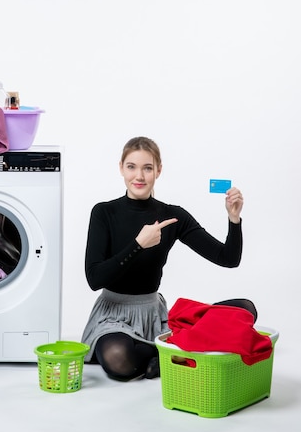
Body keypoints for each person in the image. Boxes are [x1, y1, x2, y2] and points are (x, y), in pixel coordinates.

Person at [81, 136, 257, 381]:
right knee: (117, 358)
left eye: (148, 168)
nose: (139, 176)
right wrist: (138, 245)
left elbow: (227, 258)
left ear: (159, 171)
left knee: (245, 310)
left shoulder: (173, 216)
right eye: (131, 167)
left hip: (154, 315)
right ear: (121, 168)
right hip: (113, 316)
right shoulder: (104, 212)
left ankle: (163, 354)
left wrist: (234, 219)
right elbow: (94, 278)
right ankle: (172, 353)